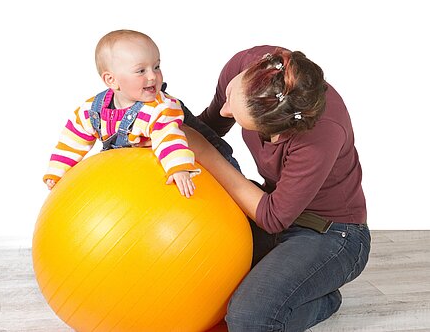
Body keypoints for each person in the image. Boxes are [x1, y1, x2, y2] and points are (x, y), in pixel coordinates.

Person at [182, 45, 371, 331]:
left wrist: (205, 154)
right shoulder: (250, 69)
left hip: (331, 234)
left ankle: (322, 300)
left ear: (277, 130)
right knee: (198, 281)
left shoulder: (321, 133)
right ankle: (295, 291)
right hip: (270, 209)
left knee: (248, 319)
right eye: (232, 95)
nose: (225, 108)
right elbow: (211, 125)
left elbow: (273, 217)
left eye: (238, 115)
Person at [43, 30, 203, 197]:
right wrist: (57, 172)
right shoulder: (93, 110)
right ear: (111, 80)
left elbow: (168, 136)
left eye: (156, 67)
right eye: (141, 71)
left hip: (155, 170)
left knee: (217, 149)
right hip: (125, 178)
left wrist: (178, 167)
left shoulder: (159, 108)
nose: (152, 76)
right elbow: (73, 139)